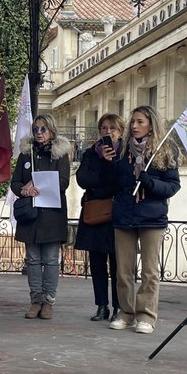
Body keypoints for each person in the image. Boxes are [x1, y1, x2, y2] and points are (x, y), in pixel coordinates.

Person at [107, 105, 181, 334]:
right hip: (125, 215)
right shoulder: (122, 151)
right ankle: (126, 313)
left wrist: (151, 184)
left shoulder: (164, 149)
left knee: (150, 271)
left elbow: (173, 185)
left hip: (151, 217)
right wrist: (110, 165)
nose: (134, 126)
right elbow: (112, 183)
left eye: (140, 122)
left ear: (151, 124)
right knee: (123, 270)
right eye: (133, 122)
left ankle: (146, 316)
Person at [11, 114, 72, 319]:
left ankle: (49, 301)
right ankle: (35, 300)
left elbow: (64, 182)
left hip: (52, 215)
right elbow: (15, 183)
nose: (39, 133)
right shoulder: (25, 155)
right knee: (34, 259)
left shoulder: (60, 154)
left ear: (51, 131)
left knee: (51, 260)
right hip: (32, 216)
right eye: (36, 129)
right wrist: (25, 189)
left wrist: (41, 184)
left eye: (43, 129)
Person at [74, 113, 123, 322]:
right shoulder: (90, 154)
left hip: (116, 214)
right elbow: (83, 179)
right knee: (97, 263)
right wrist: (102, 165)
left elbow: (120, 181)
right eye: (104, 128)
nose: (108, 132)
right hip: (94, 213)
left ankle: (119, 307)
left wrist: (106, 169)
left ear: (120, 132)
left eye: (112, 128)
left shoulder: (125, 153)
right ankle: (101, 306)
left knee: (118, 264)